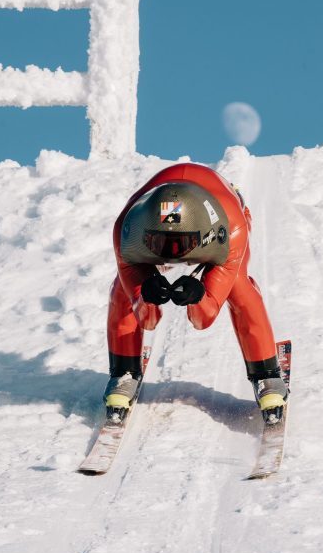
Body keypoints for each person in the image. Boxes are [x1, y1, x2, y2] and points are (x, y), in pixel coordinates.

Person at [104, 162, 288, 423]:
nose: (171, 256)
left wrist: (199, 297)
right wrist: (145, 297)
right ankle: (123, 371)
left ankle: (266, 373)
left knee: (239, 287)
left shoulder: (232, 230)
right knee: (122, 291)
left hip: (222, 226)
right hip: (172, 237)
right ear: (143, 235)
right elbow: (147, 319)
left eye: (181, 246)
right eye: (161, 244)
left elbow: (204, 319)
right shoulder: (126, 228)